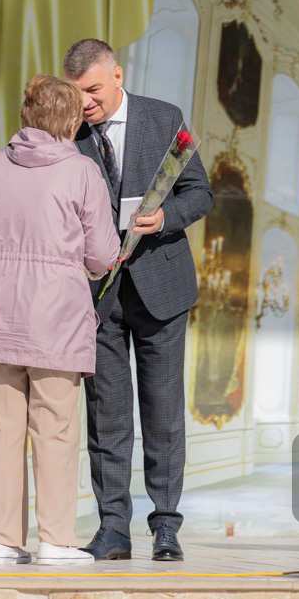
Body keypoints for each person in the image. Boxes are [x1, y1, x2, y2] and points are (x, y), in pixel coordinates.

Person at [0, 75, 120, 566]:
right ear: (71, 120)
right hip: (56, 320)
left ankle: (0, 541)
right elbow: (102, 255)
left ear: (27, 114)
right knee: (55, 431)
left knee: (0, 432)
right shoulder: (82, 171)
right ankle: (55, 541)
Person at [64, 38, 214, 562]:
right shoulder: (69, 132)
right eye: (77, 93)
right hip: (96, 297)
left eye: (93, 90)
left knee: (163, 414)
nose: (85, 103)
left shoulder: (164, 118)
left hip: (162, 289)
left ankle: (166, 526)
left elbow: (200, 193)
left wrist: (166, 218)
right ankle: (113, 528)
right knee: (106, 418)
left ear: (117, 76)